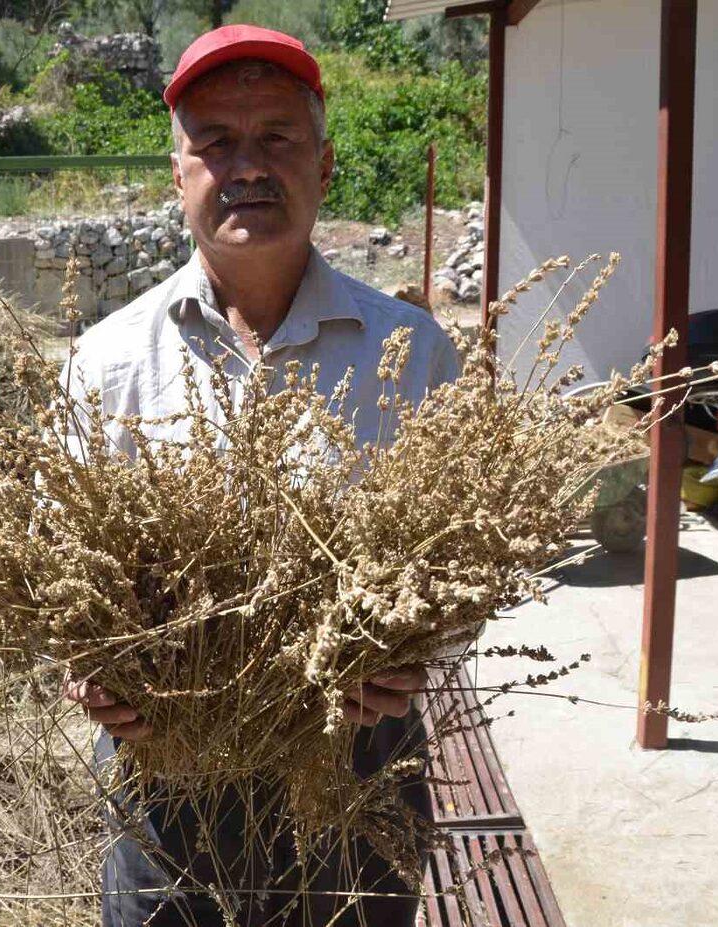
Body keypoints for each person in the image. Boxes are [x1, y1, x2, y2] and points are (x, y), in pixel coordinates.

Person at [60, 25, 461, 927]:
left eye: (276, 137)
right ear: (179, 176)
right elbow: (62, 570)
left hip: (358, 764)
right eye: (216, 143)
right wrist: (85, 664)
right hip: (167, 773)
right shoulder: (106, 361)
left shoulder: (412, 350)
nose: (247, 166)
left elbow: (462, 565)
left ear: (323, 162)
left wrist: (422, 655)